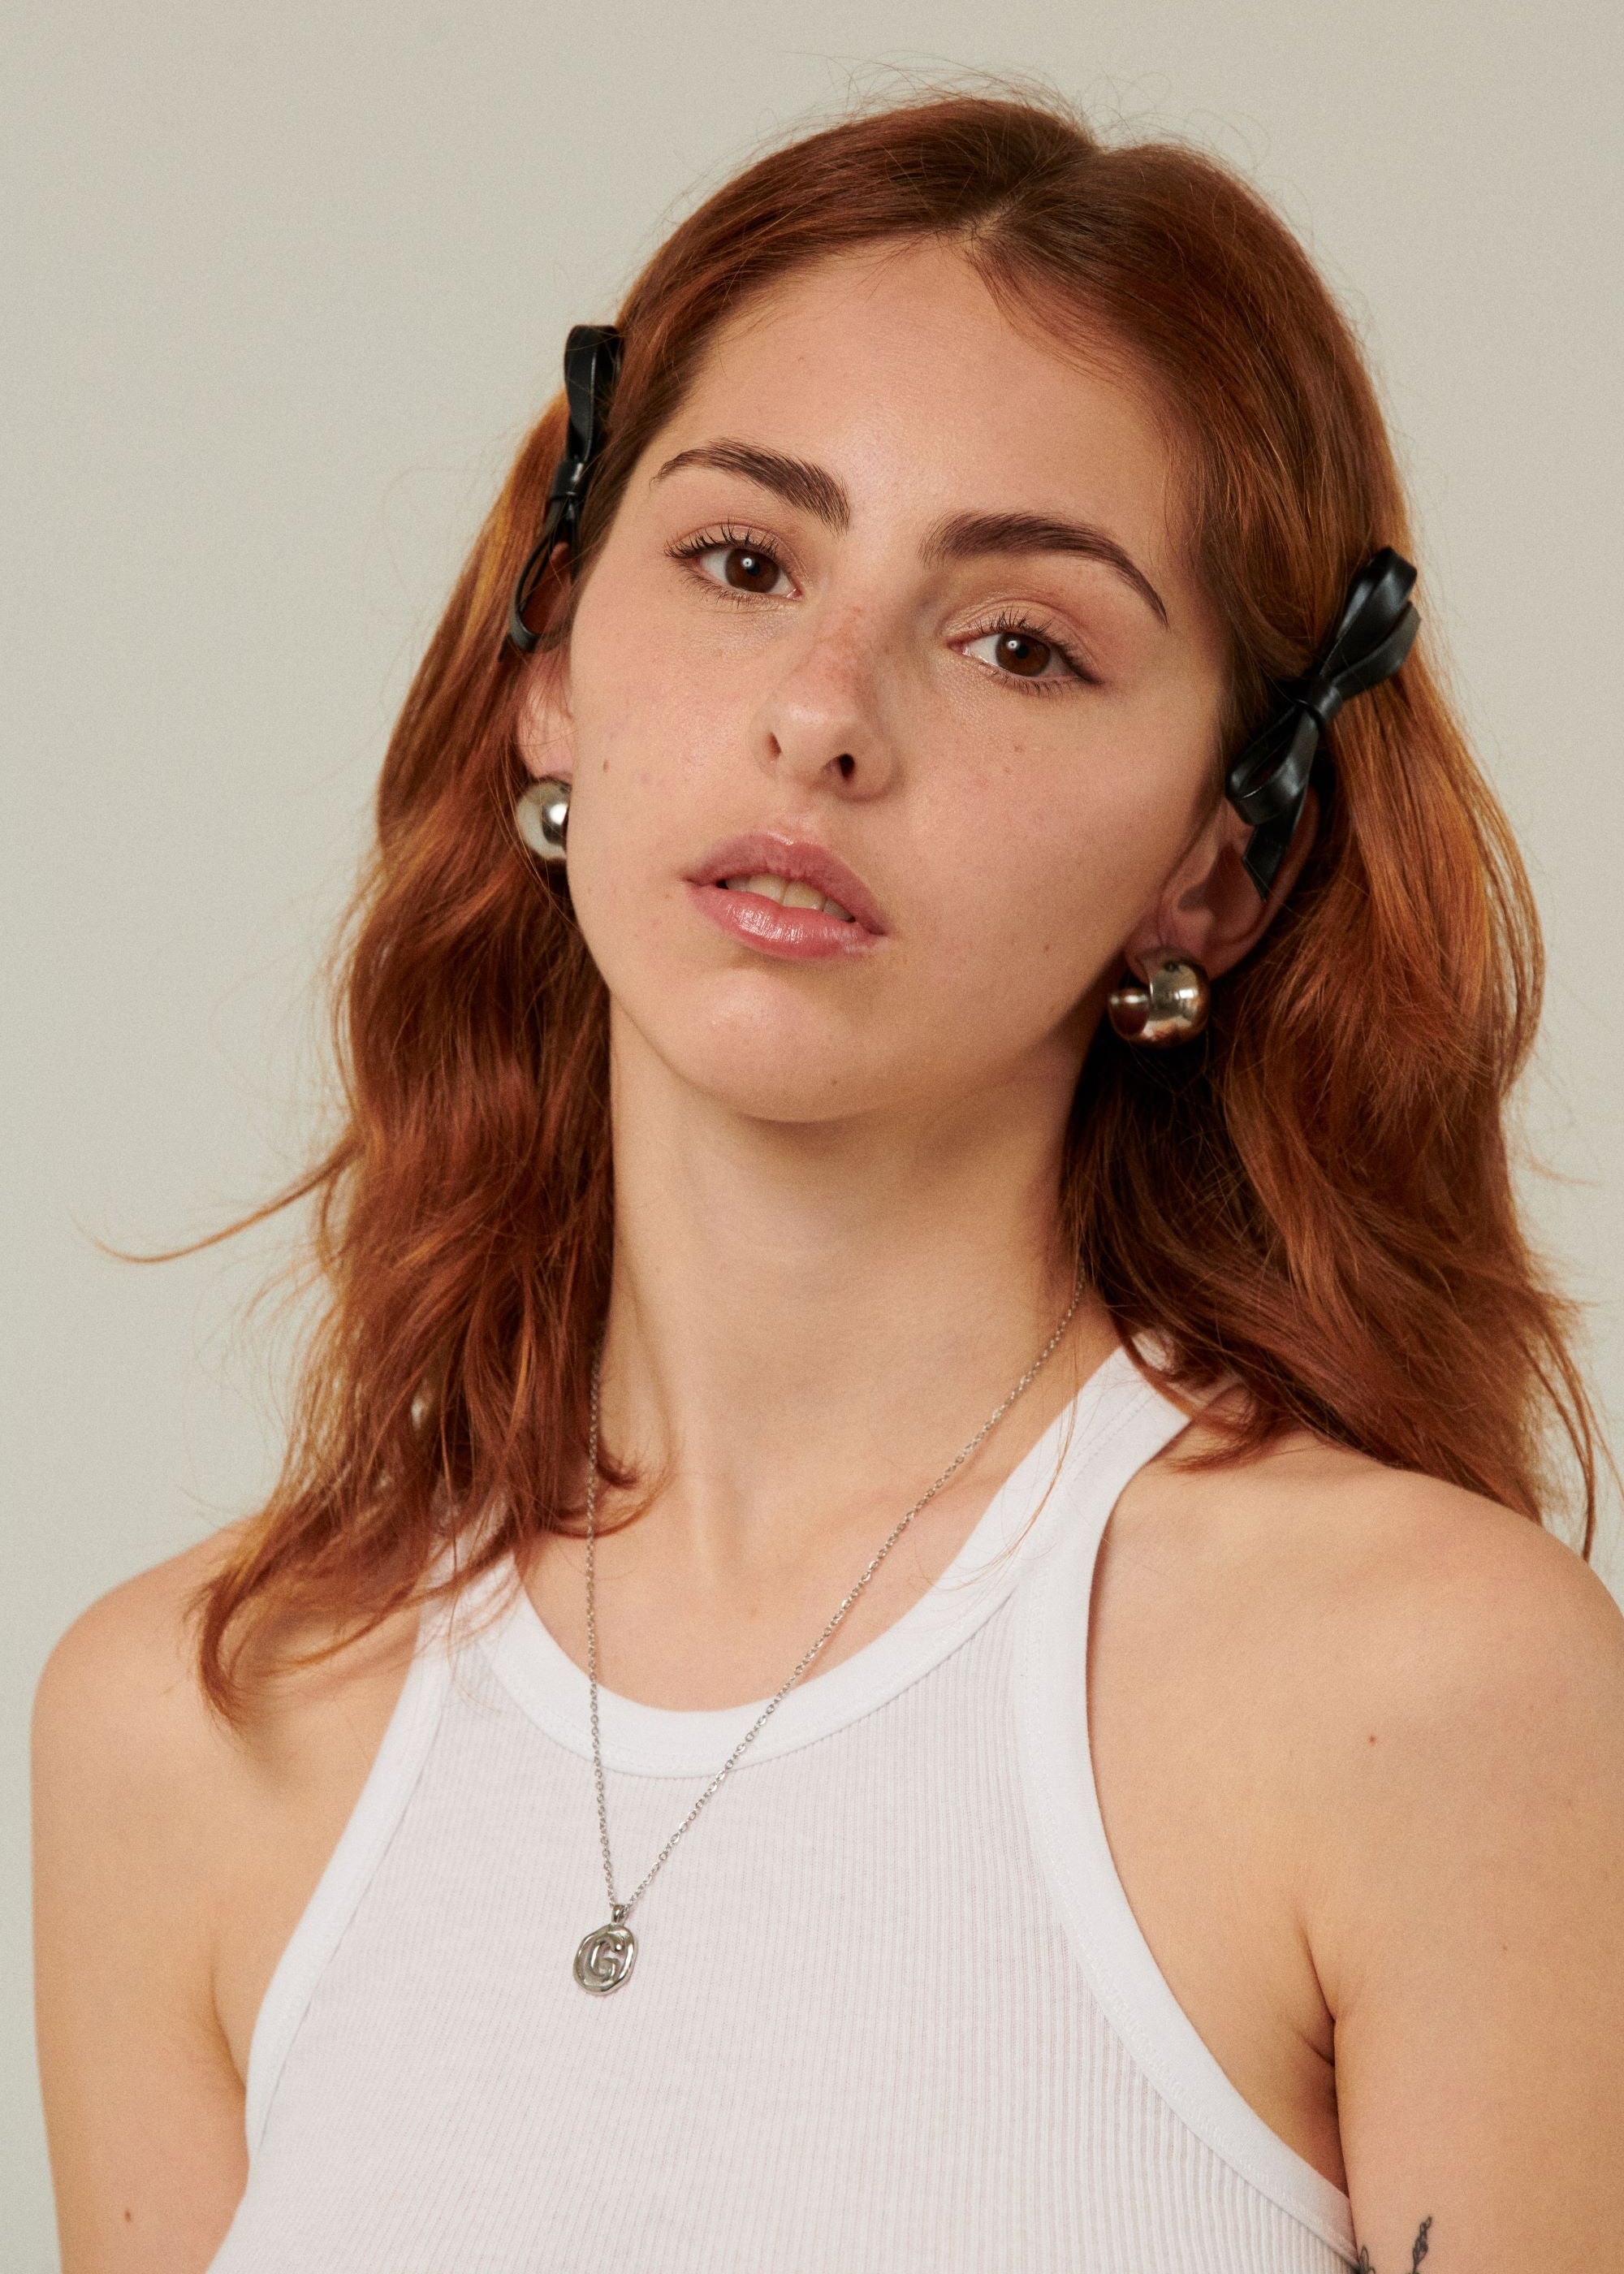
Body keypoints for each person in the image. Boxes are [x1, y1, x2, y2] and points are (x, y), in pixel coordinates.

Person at [31, 89, 1624, 2274]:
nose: (825, 714)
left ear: (1214, 862)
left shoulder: (1431, 1691)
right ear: (551, 662)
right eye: (747, 563)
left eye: (1022, 642)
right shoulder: (185, 1728)